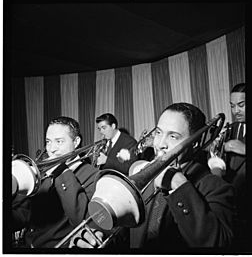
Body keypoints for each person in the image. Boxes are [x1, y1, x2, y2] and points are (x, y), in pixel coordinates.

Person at [70, 103, 235, 252]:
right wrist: (100, 240)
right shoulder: (143, 180)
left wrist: (178, 184)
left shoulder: (216, 186)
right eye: (158, 132)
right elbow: (127, 235)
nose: (160, 144)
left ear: (195, 143)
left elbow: (218, 244)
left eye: (173, 136)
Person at [12, 116, 99, 248]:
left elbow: (81, 222)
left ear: (76, 142)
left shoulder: (92, 175)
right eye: (48, 142)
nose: (51, 149)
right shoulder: (41, 173)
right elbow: (24, 214)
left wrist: (62, 172)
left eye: (59, 142)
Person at [209, 83, 246, 248]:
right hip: (233, 198)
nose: (235, 110)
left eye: (241, 105)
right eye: (232, 106)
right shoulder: (230, 128)